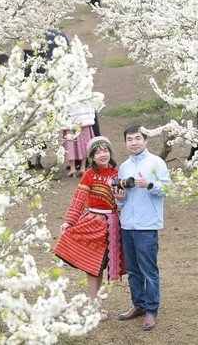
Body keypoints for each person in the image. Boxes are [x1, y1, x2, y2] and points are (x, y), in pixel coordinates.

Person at [53, 137, 127, 317]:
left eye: (105, 150)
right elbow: (79, 200)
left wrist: (121, 198)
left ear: (110, 152)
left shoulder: (117, 173)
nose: (102, 155)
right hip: (94, 224)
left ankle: (95, 303)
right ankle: (92, 304)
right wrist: (69, 221)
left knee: (101, 266)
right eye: (97, 152)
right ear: (92, 157)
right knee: (93, 266)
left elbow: (123, 200)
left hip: (113, 225)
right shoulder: (89, 175)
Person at [114, 124, 170, 332]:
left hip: (147, 225)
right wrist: (119, 199)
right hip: (127, 224)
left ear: (145, 140)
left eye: (138, 138)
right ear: (126, 143)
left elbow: (168, 188)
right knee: (133, 270)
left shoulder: (156, 162)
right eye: (129, 139)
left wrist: (149, 185)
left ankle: (151, 310)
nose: (134, 143)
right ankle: (138, 305)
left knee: (148, 270)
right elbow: (121, 198)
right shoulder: (124, 166)